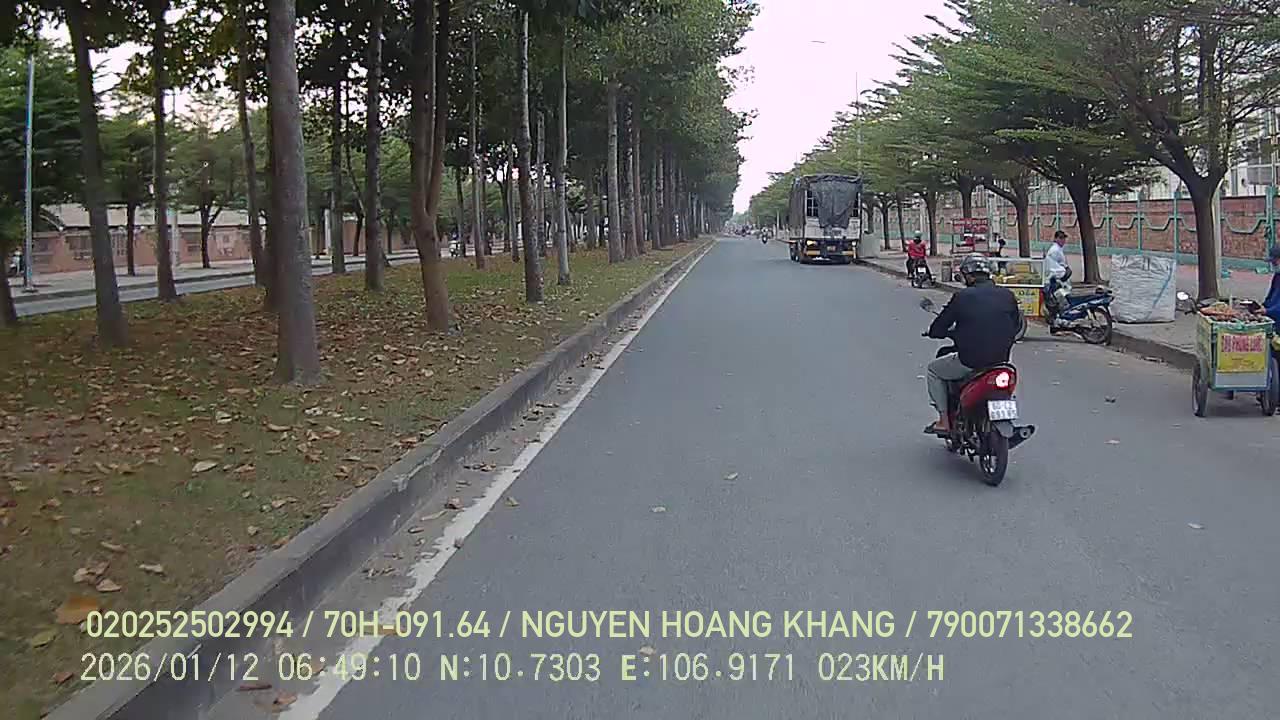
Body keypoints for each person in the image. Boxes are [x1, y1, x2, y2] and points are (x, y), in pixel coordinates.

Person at [924, 255, 1022, 433]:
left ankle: (944, 421)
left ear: (968, 276)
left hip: (970, 361)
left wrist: (936, 332)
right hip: (1001, 361)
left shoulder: (962, 297)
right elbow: (1016, 325)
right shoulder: (1007, 295)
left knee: (933, 370)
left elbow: (939, 326)